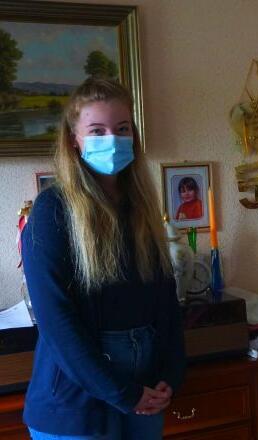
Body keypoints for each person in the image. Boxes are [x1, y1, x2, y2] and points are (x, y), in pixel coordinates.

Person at [21, 77, 186, 439]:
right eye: (97, 131)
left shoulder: (141, 208)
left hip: (145, 392)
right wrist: (121, 392)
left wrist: (170, 376)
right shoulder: (52, 210)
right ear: (74, 140)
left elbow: (166, 302)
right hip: (76, 403)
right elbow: (56, 320)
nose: (112, 139)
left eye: (122, 129)